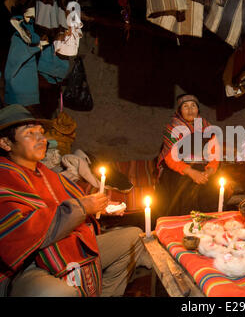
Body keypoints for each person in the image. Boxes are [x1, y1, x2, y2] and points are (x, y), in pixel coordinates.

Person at [0, 104, 152, 297]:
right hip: (32, 265)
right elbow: (21, 232)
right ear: (6, 143)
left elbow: (70, 203)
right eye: (30, 133)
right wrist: (83, 207)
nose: (42, 139)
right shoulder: (5, 179)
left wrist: (99, 207)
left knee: (133, 238)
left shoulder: (46, 173)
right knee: (54, 293)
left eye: (41, 132)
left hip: (70, 244)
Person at [155, 94, 221, 218]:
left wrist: (210, 170)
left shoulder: (208, 128)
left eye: (193, 106)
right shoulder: (173, 128)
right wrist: (191, 172)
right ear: (180, 111)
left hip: (204, 170)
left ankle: (209, 227)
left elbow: (215, 154)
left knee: (214, 188)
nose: (190, 110)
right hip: (180, 171)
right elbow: (170, 158)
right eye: (185, 106)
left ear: (198, 109)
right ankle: (185, 227)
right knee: (185, 190)